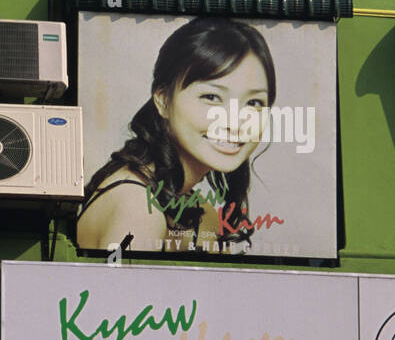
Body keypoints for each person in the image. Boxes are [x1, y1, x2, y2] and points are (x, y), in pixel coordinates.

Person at [76, 17, 276, 255]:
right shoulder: (139, 208)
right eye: (211, 97)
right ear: (162, 99)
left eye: (253, 102)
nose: (235, 123)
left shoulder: (200, 213)